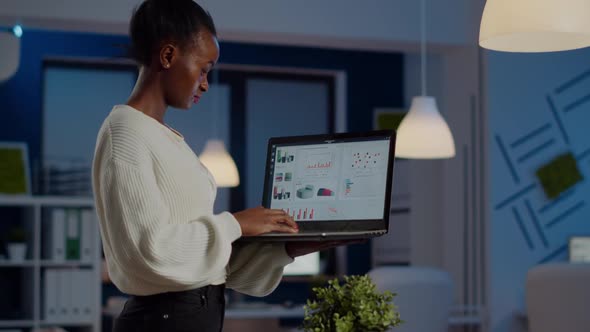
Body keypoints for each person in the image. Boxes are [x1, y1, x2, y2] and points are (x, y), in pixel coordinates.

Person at [92, 0, 347, 331]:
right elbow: (151, 252)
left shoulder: (166, 138)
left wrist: (289, 247)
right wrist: (236, 224)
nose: (205, 83)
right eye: (203, 69)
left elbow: (207, 264)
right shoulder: (125, 133)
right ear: (168, 56)